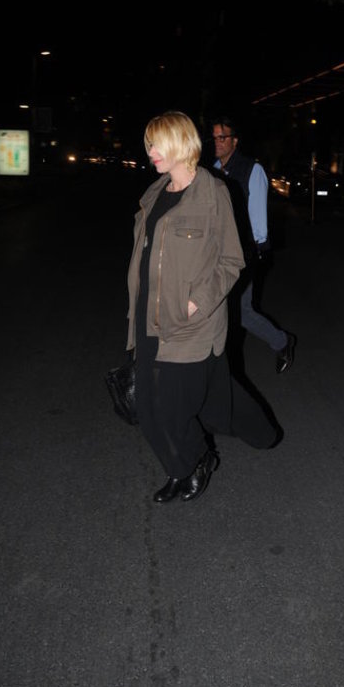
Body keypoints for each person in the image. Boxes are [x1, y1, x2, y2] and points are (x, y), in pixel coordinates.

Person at [126, 111, 280, 505]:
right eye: (148, 144)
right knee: (147, 410)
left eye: (157, 144)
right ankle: (182, 467)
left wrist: (196, 302)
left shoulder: (212, 192)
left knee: (173, 411)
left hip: (190, 325)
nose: (150, 152)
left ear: (181, 143)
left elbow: (231, 260)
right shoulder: (154, 192)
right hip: (148, 317)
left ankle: (194, 460)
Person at [211, 116, 295, 374]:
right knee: (225, 307)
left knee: (239, 310)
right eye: (214, 137)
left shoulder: (252, 170)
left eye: (222, 137)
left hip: (244, 252)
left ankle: (280, 342)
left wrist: (256, 254)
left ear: (235, 141)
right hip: (217, 251)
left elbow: (259, 220)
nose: (217, 142)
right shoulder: (213, 169)